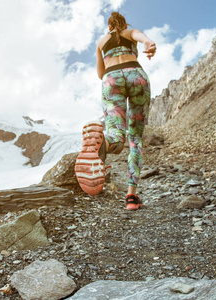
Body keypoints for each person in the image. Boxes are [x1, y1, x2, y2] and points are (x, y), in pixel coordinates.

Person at [75, 11, 156, 210]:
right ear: (122, 24)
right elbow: (141, 37)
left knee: (116, 134)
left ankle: (104, 142)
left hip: (111, 79)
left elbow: (100, 73)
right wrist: (148, 43)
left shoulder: (101, 42)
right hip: (136, 74)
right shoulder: (129, 33)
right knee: (135, 139)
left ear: (109, 26)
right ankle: (131, 197)